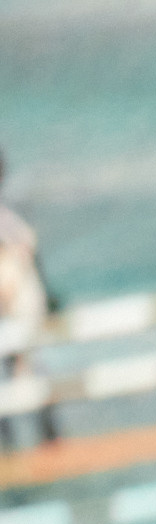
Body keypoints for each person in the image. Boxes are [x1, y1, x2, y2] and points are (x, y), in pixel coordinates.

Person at [0, 149, 59, 452]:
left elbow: (27, 250)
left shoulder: (7, 219)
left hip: (15, 305)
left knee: (22, 367)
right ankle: (46, 438)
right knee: (26, 367)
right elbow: (31, 251)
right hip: (19, 303)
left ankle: (25, 443)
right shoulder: (9, 218)